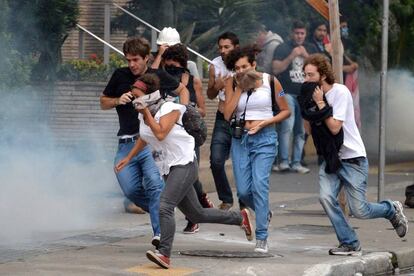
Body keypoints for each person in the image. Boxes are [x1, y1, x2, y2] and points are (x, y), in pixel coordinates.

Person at [115, 73, 253, 269]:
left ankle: (164, 254)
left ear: (149, 96)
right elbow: (146, 137)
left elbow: (160, 133)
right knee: (197, 215)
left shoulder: (170, 108)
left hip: (184, 163)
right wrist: (128, 158)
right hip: (167, 167)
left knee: (165, 205)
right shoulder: (142, 113)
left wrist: (145, 112)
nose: (134, 99)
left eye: (137, 95)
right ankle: (240, 218)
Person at [303, 53, 408, 256]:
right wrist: (308, 108)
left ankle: (390, 209)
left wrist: (320, 103)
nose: (307, 80)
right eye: (305, 75)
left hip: (352, 159)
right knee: (325, 198)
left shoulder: (339, 92)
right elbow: (309, 129)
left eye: (310, 75)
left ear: (323, 75)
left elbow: (334, 128)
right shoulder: (310, 96)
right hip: (331, 159)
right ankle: (349, 242)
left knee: (360, 210)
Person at [100, 37, 189, 248]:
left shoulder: (157, 76)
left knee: (154, 186)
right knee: (130, 190)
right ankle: (162, 211)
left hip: (150, 144)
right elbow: (103, 101)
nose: (132, 64)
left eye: (136, 59)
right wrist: (116, 100)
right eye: (128, 59)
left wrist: (182, 113)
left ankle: (160, 235)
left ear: (147, 58)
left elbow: (183, 91)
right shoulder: (120, 75)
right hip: (126, 143)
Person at [223, 45, 290, 253]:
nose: (241, 70)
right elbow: (227, 115)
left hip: (265, 138)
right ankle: (263, 212)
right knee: (243, 190)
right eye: (237, 68)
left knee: (260, 184)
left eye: (244, 66)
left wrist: (265, 122)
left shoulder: (270, 81)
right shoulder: (233, 83)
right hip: (240, 139)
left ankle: (262, 236)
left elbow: (285, 111)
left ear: (253, 64)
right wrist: (240, 88)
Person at [161, 43, 215, 234]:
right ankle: (200, 201)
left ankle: (193, 218)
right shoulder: (164, 81)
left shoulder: (194, 82)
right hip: (168, 135)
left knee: (189, 177)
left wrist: (186, 107)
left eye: (174, 66)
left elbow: (202, 110)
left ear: (183, 65)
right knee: (174, 177)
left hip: (189, 135)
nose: (170, 70)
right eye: (167, 66)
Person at [272, 20, 317, 173]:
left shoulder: (310, 48)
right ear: (292, 33)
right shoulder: (283, 47)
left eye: (302, 33)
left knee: (301, 130)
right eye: (297, 33)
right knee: (287, 126)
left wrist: (306, 56)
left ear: (306, 34)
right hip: (286, 92)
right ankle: (284, 161)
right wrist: (291, 56)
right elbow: (276, 69)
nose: (299, 36)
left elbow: (321, 68)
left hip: (304, 94)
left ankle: (297, 162)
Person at [206, 32, 240, 211]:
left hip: (241, 119)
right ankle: (226, 198)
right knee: (216, 160)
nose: (223, 51)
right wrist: (216, 86)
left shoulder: (244, 63)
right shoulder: (215, 65)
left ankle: (245, 200)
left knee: (242, 163)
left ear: (236, 47)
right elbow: (210, 95)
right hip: (222, 119)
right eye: (220, 47)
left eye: (227, 47)